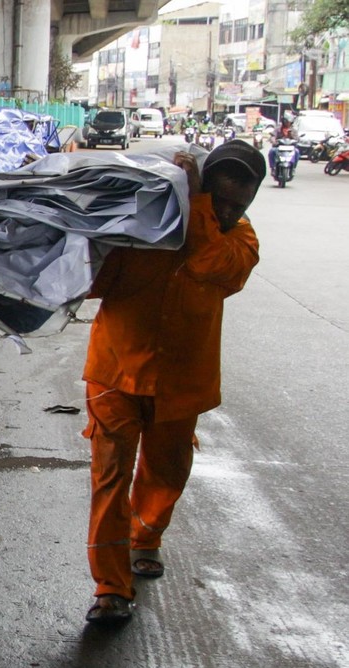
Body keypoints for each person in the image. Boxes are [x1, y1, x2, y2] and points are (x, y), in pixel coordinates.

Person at [83, 140, 266, 624]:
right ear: (203, 188)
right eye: (218, 198)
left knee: (167, 470)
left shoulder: (240, 242)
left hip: (182, 382)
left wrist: (201, 206)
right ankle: (111, 586)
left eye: (236, 203)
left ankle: (147, 535)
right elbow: (93, 282)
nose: (227, 210)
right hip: (115, 372)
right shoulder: (146, 224)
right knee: (109, 477)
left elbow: (211, 263)